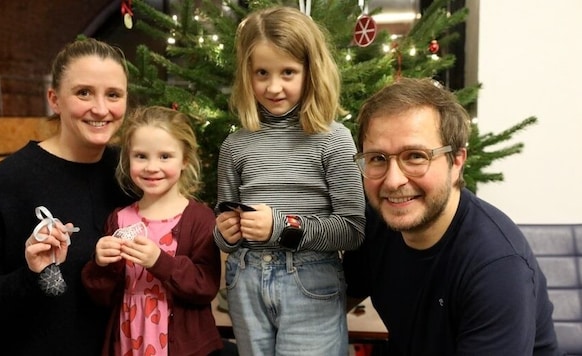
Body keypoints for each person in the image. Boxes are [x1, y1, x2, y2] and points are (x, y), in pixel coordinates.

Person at [343, 77, 562, 355]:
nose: (393, 181)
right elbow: (329, 304)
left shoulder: (496, 268)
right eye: (377, 158)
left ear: (457, 161)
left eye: (415, 156)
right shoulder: (378, 224)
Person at [0, 38, 133, 355]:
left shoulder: (132, 175)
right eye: (83, 92)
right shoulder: (4, 185)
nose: (101, 109)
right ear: (55, 99)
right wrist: (30, 276)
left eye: (113, 95)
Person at [214, 6, 365, 356]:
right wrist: (225, 233)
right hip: (245, 281)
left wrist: (282, 227)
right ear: (246, 74)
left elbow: (352, 229)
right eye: (262, 73)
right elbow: (221, 227)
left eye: (288, 72)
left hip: (310, 282)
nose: (273, 86)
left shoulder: (334, 139)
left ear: (311, 72)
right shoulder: (235, 145)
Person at [81, 106, 223, 356]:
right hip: (128, 339)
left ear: (185, 159)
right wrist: (101, 263)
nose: (151, 167)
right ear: (128, 159)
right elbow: (101, 295)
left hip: (179, 345)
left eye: (165, 156)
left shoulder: (200, 218)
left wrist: (160, 262)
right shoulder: (119, 219)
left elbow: (205, 286)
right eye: (141, 156)